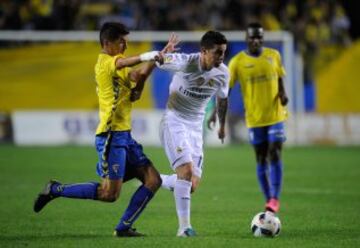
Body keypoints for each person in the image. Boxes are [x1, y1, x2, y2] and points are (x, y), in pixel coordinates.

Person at [33, 22, 179, 237]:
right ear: (107, 43)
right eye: (121, 41)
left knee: (153, 180)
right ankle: (55, 189)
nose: (125, 45)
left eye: (126, 41)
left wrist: (157, 59)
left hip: (125, 136)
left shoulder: (119, 67)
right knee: (109, 194)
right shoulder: (105, 63)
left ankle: (123, 227)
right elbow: (124, 63)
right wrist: (148, 55)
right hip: (111, 136)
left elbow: (136, 77)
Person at [209, 23, 288, 213]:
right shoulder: (237, 62)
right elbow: (224, 91)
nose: (256, 40)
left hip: (276, 115)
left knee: (275, 152)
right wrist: (214, 114)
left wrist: (283, 93)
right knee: (261, 158)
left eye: (259, 37)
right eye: (252, 37)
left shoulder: (273, 55)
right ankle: (268, 197)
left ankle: (275, 199)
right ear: (246, 39)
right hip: (254, 119)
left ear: (263, 38)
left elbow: (279, 77)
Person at [157, 31, 230, 237]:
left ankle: (154, 179)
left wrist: (222, 125)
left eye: (223, 52)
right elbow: (161, 60)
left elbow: (222, 99)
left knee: (191, 185)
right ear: (204, 52)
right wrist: (164, 55)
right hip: (174, 121)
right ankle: (184, 228)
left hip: (195, 128)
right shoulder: (187, 62)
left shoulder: (223, 73)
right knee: (186, 172)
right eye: (217, 53)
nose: (221, 57)